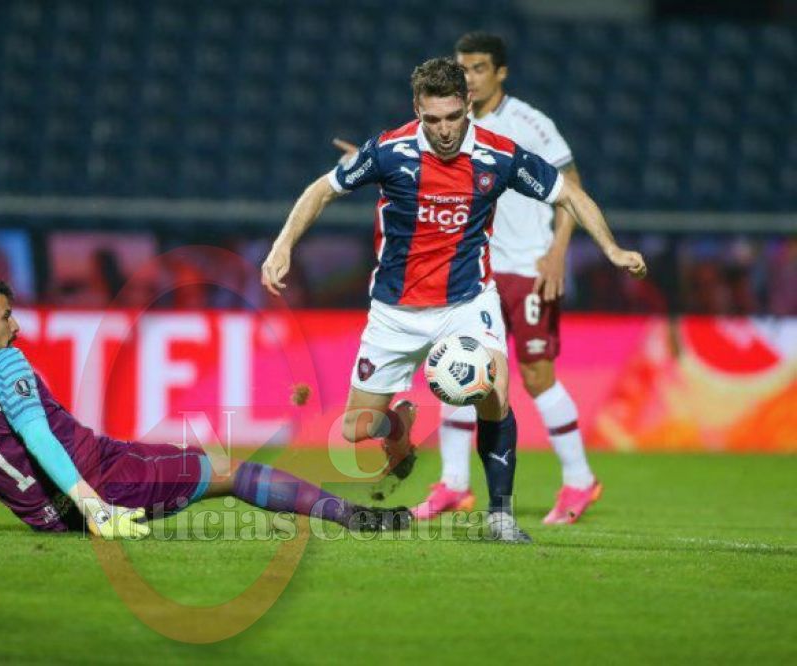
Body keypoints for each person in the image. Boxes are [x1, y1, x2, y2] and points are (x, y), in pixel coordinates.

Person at [262, 58, 646, 543]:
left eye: (452, 117)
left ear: (466, 105)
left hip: (467, 302)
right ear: (416, 110)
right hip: (395, 312)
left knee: (495, 395)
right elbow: (322, 190)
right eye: (432, 119)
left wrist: (612, 248)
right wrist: (282, 246)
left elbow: (568, 194)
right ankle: (397, 428)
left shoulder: (498, 155)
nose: (444, 130)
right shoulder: (389, 150)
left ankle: (500, 515)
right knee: (356, 429)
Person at [0, 278, 410, 537]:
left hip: (51, 513)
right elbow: (38, 438)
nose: (16, 325)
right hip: (100, 480)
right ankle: (354, 518)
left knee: (188, 459)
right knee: (232, 471)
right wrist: (94, 505)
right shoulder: (4, 364)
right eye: (5, 316)